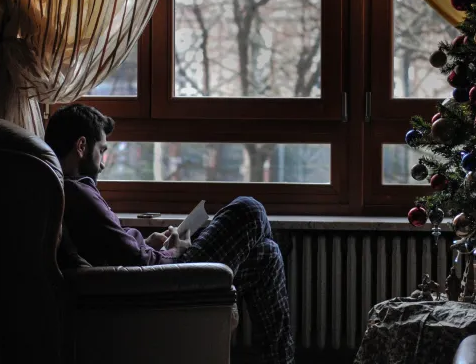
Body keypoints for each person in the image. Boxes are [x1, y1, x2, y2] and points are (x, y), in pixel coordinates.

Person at [45, 103, 294, 364]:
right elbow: (136, 262)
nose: (103, 164)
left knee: (266, 254)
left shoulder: (68, 192)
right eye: (101, 151)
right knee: (249, 209)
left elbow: (112, 245)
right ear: (82, 146)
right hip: (162, 282)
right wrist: (174, 250)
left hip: (153, 273)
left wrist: (149, 243)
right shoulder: (77, 193)